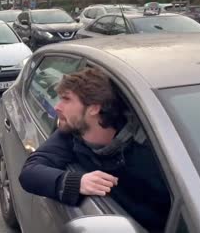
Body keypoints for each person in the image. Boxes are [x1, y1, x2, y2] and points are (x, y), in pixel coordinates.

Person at [18, 68, 171, 232]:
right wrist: (77, 183)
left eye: (66, 99)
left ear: (94, 108)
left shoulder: (150, 150)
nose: (57, 107)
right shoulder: (70, 136)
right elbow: (30, 173)